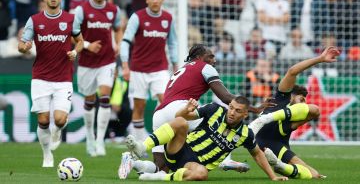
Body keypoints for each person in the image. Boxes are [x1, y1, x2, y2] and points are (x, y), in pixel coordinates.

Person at [118, 44, 271, 178]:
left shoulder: (184, 68)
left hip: (160, 113)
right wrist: (254, 109)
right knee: (219, 125)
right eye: (210, 57)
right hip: (180, 108)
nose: (214, 60)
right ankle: (226, 161)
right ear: (199, 57)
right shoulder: (205, 67)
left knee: (162, 167)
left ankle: (132, 161)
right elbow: (225, 97)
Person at [123, 97, 288, 181]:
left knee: (202, 174)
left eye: (237, 111)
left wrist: (273, 177)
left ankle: (158, 177)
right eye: (231, 107)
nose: (231, 112)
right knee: (181, 122)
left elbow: (257, 154)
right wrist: (185, 110)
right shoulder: (214, 109)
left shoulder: (245, 134)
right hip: (179, 148)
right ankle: (142, 147)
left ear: (245, 114)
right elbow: (179, 117)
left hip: (193, 165)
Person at [248, 46, 340, 179]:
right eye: (301, 99)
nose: (303, 103)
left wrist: (307, 117)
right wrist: (319, 59)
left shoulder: (294, 118)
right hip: (258, 138)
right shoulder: (281, 97)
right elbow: (292, 71)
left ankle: (280, 166)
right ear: (292, 94)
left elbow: (313, 114)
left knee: (315, 175)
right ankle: (266, 119)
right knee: (314, 109)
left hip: (277, 146)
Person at [18, 0, 84, 167]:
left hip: (63, 78)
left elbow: (80, 41)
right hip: (40, 77)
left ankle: (58, 129)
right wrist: (24, 47)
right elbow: (23, 44)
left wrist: (75, 51)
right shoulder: (34, 20)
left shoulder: (71, 19)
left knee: (60, 119)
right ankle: (47, 154)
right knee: (43, 120)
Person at [120, 0, 178, 142]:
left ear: (162, 0)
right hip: (139, 70)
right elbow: (125, 41)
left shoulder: (168, 18)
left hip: (160, 70)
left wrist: (176, 66)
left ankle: (167, 140)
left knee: (168, 104)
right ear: (146, 0)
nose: (155, 1)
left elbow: (173, 43)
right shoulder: (137, 17)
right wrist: (125, 66)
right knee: (139, 107)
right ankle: (139, 144)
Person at [73, 0, 123, 157]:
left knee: (105, 96)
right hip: (87, 62)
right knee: (89, 100)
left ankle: (100, 140)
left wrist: (118, 43)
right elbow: (72, 34)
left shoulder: (113, 10)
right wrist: (87, 45)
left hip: (107, 61)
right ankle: (89, 136)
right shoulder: (81, 10)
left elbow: (118, 28)